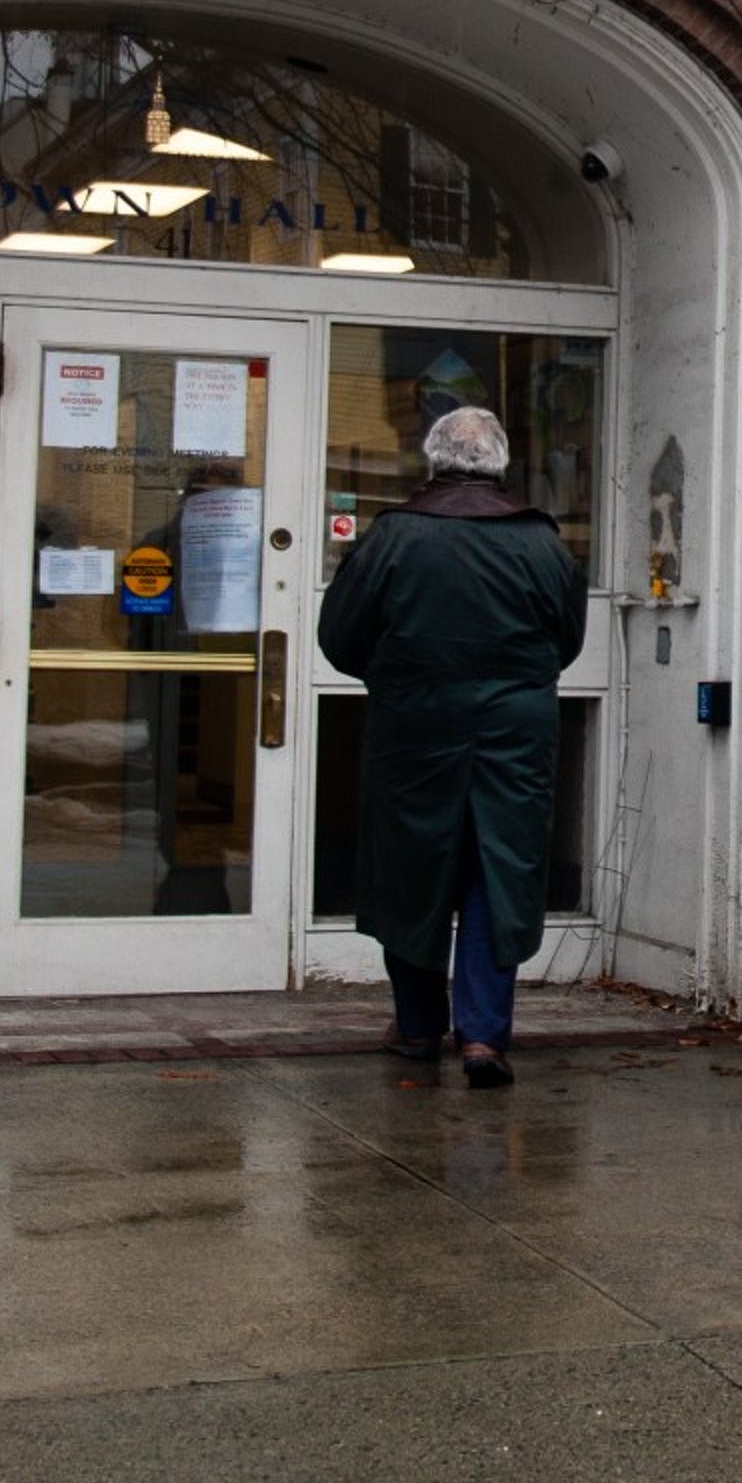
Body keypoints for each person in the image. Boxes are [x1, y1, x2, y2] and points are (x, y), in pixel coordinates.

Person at [315, 403, 587, 1088]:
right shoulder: (540, 542)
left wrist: (401, 675)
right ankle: (484, 1038)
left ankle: (416, 1026)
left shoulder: (393, 537)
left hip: (415, 733)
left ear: (433, 462)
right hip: (514, 738)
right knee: (498, 874)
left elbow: (340, 638)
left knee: (412, 875)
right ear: (500, 465)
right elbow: (568, 642)